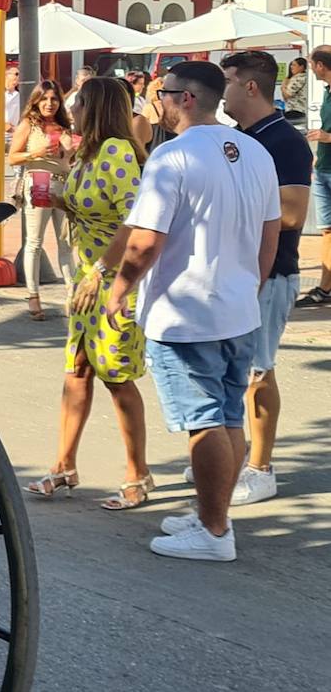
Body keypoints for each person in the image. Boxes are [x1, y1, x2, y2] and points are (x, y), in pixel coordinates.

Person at [105, 61, 280, 562]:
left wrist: (119, 288)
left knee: (204, 421)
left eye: (161, 94)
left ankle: (213, 528)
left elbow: (146, 240)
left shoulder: (171, 156)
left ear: (185, 98)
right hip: (236, 304)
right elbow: (271, 235)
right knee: (226, 416)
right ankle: (212, 512)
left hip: (188, 312)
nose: (156, 102)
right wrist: (252, 283)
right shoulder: (255, 151)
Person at [25, 78, 151, 508]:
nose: (70, 110)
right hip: (86, 279)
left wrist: (101, 271)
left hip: (115, 279)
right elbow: (88, 205)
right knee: (77, 369)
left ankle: (138, 473)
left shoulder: (118, 151)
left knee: (117, 378)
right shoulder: (87, 152)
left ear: (95, 108)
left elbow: (134, 220)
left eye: (78, 104)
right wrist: (55, 198)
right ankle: (63, 465)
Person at [220, 51, 312, 504]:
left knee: (259, 369)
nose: (223, 90)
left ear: (250, 86)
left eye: (229, 81)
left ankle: (261, 468)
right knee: (232, 371)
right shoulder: (239, 137)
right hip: (237, 270)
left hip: (271, 272)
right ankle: (235, 458)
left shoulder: (286, 142)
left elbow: (293, 213)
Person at [7, 80, 75, 320]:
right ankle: (33, 295)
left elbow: (72, 156)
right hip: (39, 180)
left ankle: (72, 294)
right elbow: (12, 157)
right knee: (34, 242)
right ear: (36, 100)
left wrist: (73, 146)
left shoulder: (64, 125)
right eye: (44, 99)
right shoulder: (29, 124)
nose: (49, 104)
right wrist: (33, 154)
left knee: (66, 242)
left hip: (64, 183)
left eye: (54, 99)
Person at [297, 45, 331, 307]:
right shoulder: (327, 92)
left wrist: (326, 137)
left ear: (321, 65)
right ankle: (325, 286)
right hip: (324, 169)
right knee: (327, 230)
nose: (310, 69)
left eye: (311, 64)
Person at [282, 56, 308, 123]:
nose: (291, 67)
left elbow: (287, 95)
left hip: (296, 110)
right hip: (294, 109)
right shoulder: (297, 77)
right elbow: (286, 98)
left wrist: (283, 86)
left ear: (301, 67)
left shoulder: (299, 78)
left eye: (294, 65)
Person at [4, 65, 22, 132]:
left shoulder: (19, 95)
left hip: (15, 134)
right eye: (16, 74)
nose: (18, 77)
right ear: (6, 75)